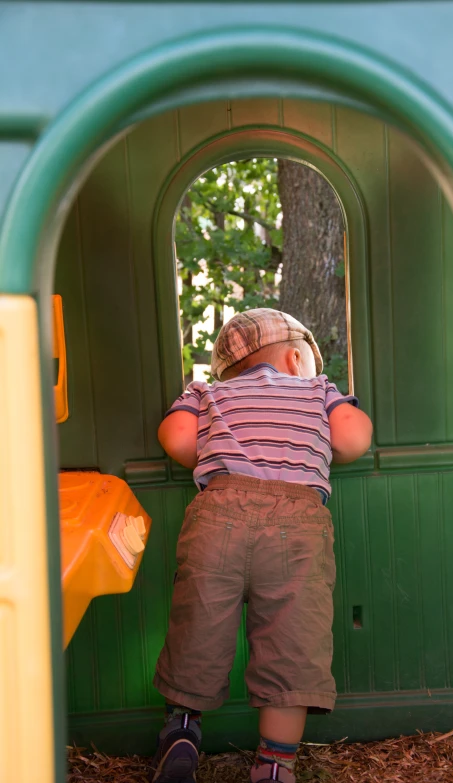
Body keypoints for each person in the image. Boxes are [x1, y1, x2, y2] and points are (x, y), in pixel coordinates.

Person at [149, 308, 373, 783]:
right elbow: (354, 439)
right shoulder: (319, 390)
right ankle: (274, 765)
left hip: (219, 510)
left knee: (200, 625)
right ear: (296, 358)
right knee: (293, 644)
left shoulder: (206, 392)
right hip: (298, 523)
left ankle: (183, 729)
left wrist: (217, 451)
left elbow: (176, 436)